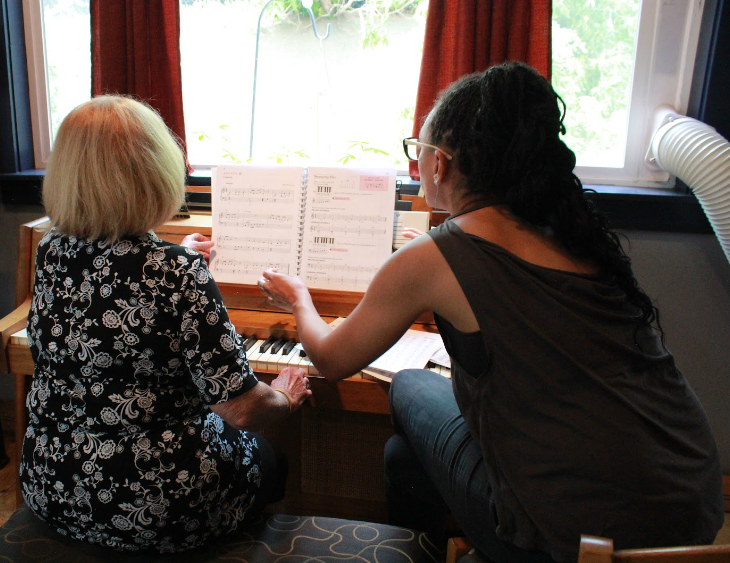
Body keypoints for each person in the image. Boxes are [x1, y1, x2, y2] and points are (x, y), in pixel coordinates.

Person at [257, 62, 723, 563]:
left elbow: (329, 359)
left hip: (576, 545)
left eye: (419, 154)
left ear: (441, 164)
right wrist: (431, 264)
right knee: (403, 457)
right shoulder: (568, 230)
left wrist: (300, 298)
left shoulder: (435, 257)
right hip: (693, 508)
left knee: (411, 387)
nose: (418, 168)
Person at [21, 95, 311, 554]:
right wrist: (286, 398)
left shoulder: (51, 251)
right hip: (158, 505)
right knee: (270, 457)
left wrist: (175, 257)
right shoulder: (174, 271)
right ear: (156, 172)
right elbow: (241, 410)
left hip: (53, 485)